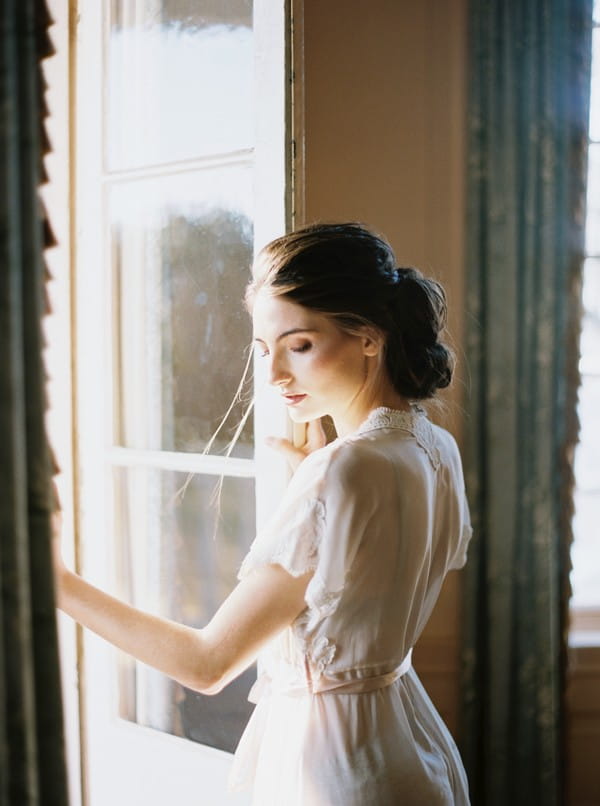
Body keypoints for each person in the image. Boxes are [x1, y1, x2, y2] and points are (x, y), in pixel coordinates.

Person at [53, 222, 472, 805]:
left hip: (334, 768)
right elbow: (359, 593)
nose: (274, 374)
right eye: (263, 349)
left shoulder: (340, 472)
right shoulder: (433, 447)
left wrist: (58, 582)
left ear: (370, 338)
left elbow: (206, 664)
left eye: (299, 345)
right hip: (409, 741)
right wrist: (310, 478)